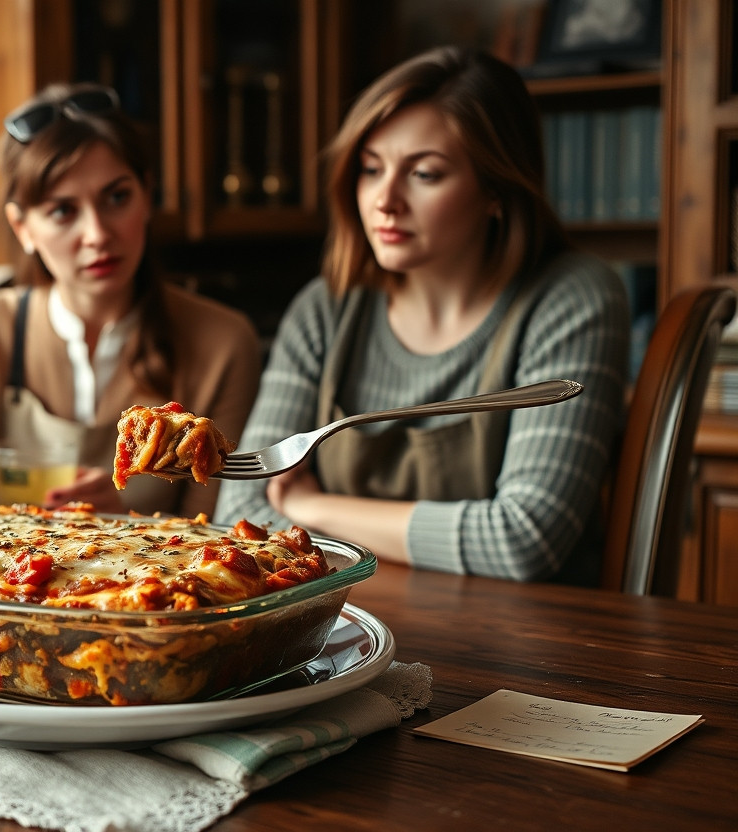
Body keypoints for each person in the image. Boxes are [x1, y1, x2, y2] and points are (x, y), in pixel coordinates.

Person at [214, 47, 630, 584]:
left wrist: (313, 508)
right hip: (355, 618)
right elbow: (241, 512)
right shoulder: (325, 309)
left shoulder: (572, 298)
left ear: (497, 190)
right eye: (371, 169)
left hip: (528, 629)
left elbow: (524, 540)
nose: (384, 200)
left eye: (425, 173)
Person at [0, 82, 261, 518]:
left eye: (117, 197)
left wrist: (119, 522)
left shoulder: (223, 342)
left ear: (147, 195)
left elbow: (217, 528)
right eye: (63, 210)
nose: (97, 234)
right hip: (2, 564)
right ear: (22, 228)